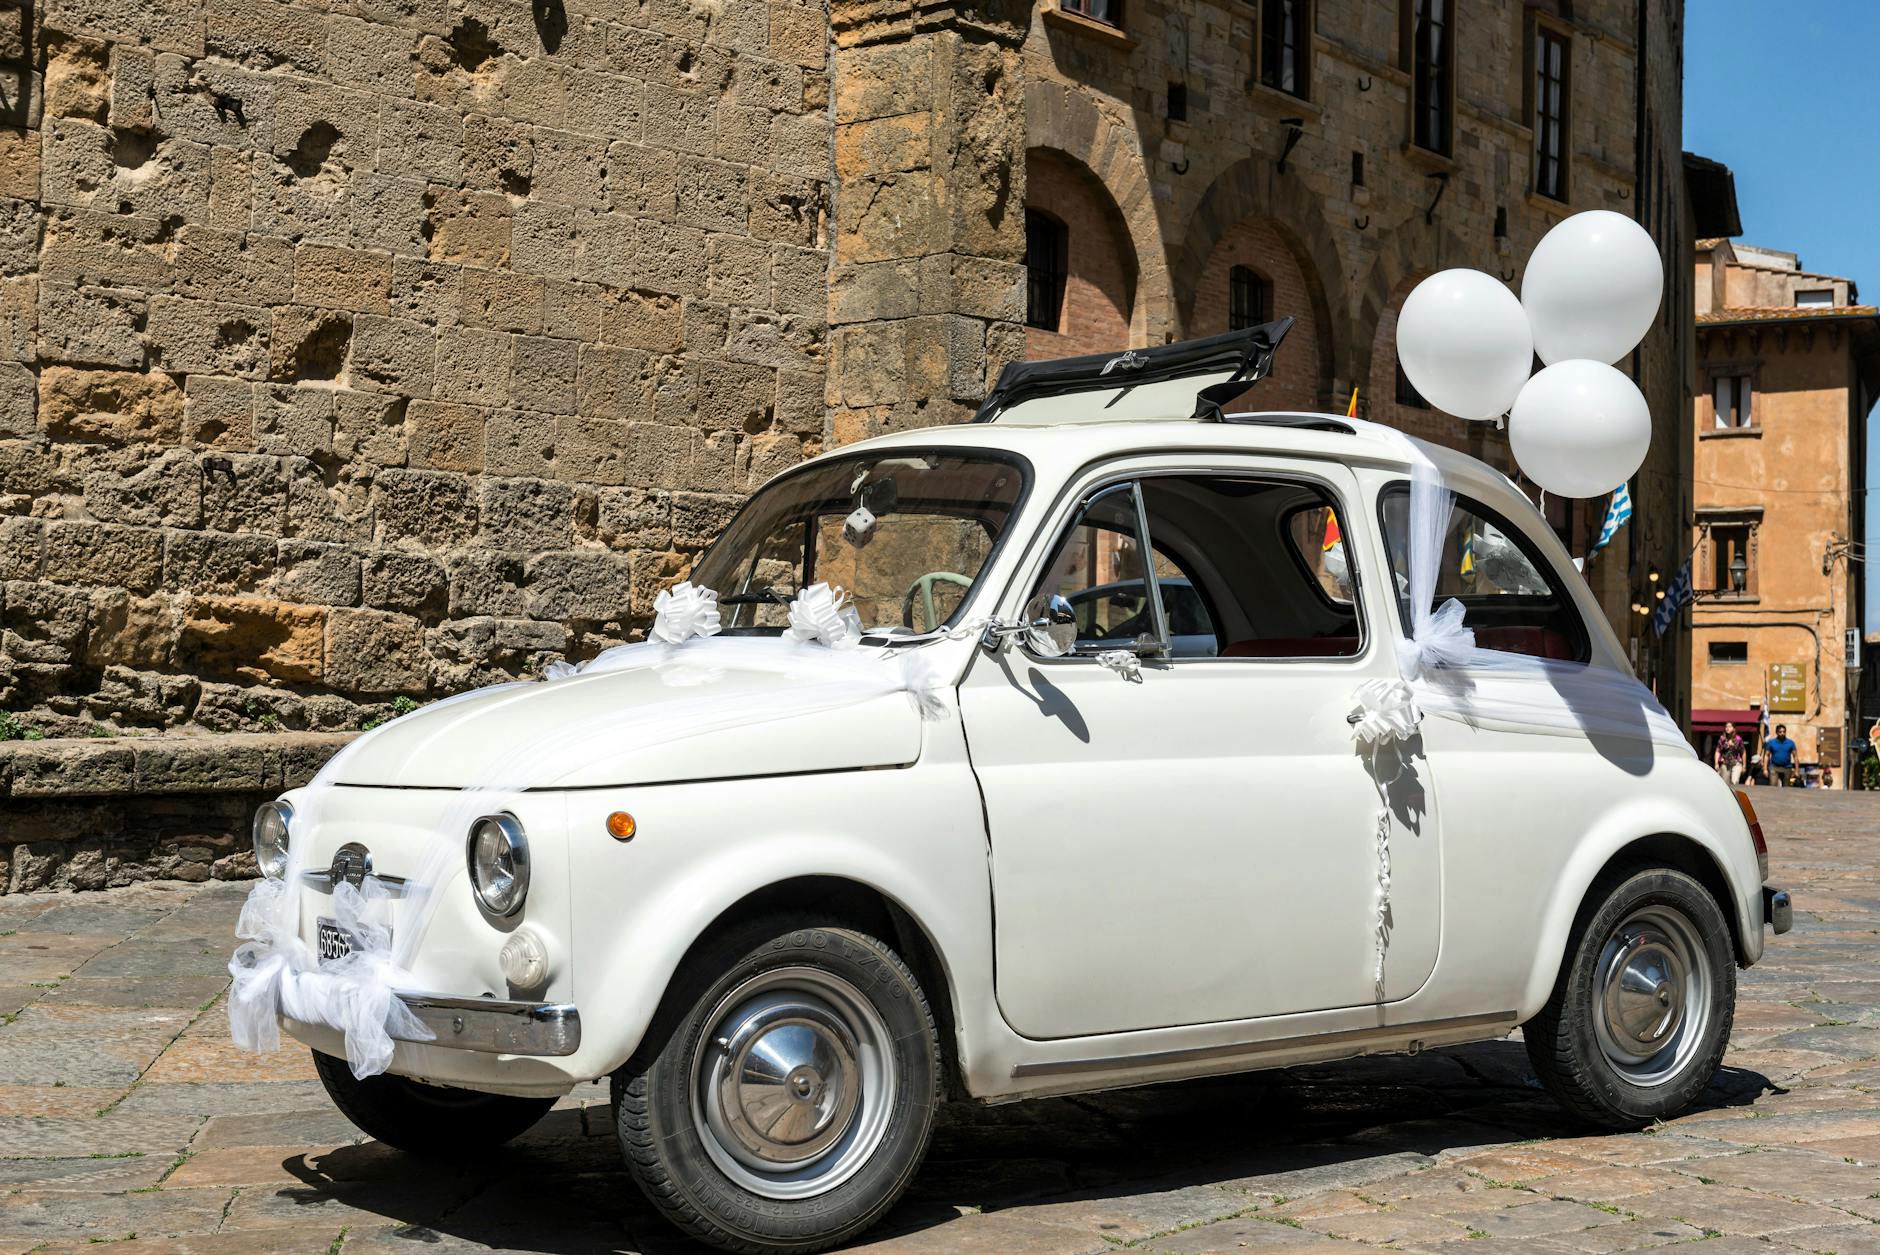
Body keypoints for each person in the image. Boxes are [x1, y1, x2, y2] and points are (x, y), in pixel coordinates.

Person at [1712, 722, 1747, 786]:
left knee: (1734, 782)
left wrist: (1744, 766)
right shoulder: (1722, 739)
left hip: (1736, 763)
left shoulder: (1738, 739)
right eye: (1726, 727)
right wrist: (1716, 763)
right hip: (1725, 763)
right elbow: (1717, 751)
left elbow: (1743, 752)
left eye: (1730, 726)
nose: (1727, 728)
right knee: (1725, 783)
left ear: (1734, 729)